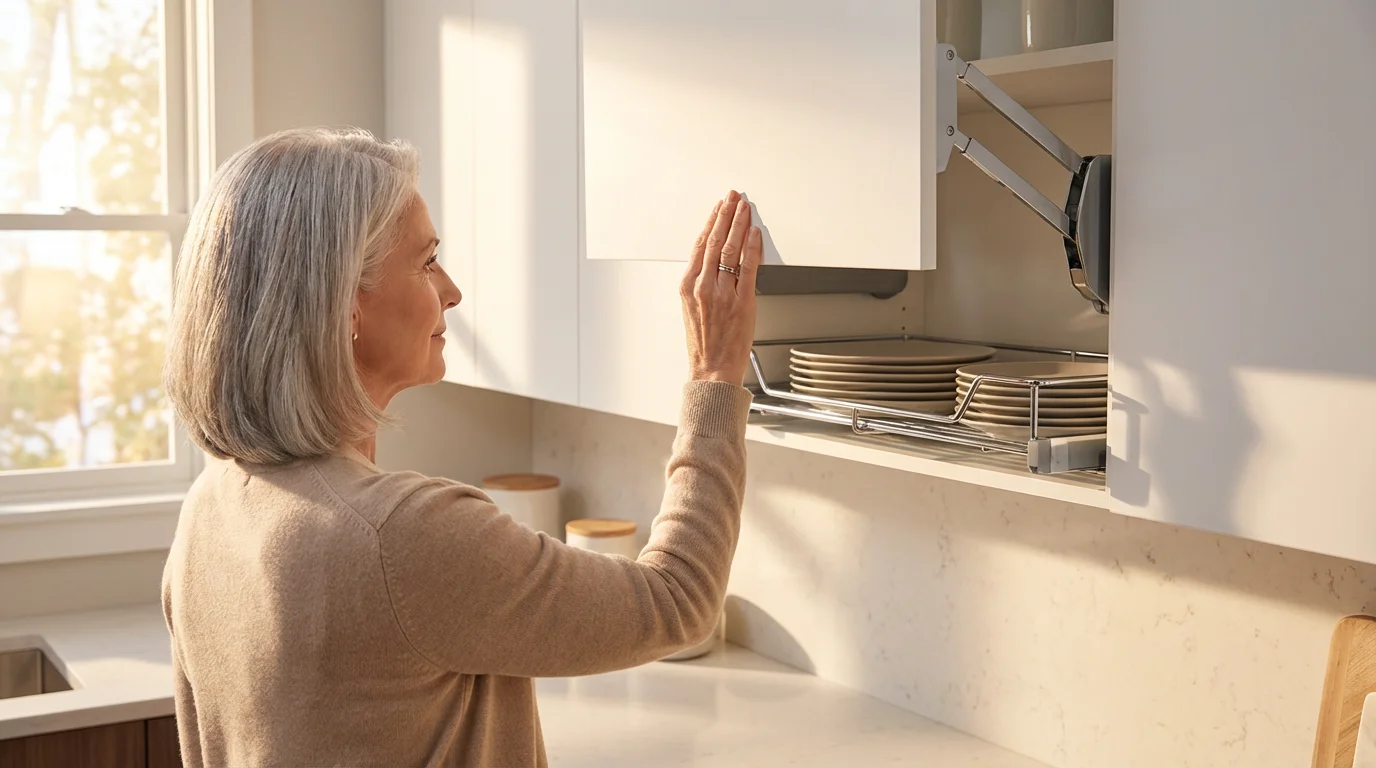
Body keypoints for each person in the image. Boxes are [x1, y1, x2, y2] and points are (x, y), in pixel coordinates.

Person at [160, 126, 760, 767]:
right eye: (425, 262)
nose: (451, 290)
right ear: (345, 307)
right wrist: (715, 374)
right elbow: (679, 602)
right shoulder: (399, 536)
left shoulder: (211, 504)